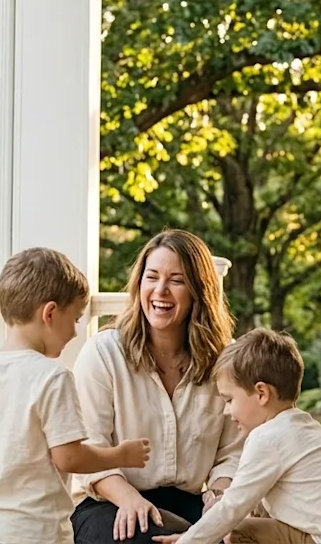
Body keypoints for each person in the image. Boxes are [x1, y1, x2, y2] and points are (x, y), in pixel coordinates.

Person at [0, 247, 152, 544]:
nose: (75, 332)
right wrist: (120, 455)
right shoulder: (53, 378)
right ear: (50, 313)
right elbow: (69, 457)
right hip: (35, 532)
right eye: (75, 319)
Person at [70, 229, 243, 543]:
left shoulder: (225, 360)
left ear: (198, 290)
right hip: (109, 501)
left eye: (176, 280)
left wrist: (218, 499)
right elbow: (89, 448)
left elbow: (233, 452)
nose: (160, 290)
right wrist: (129, 499)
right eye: (151, 277)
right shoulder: (104, 353)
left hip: (191, 505)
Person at [153, 328, 321, 544]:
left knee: (237, 531)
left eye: (229, 400)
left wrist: (187, 541)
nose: (226, 411)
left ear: (261, 393)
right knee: (241, 527)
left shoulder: (267, 438)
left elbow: (232, 507)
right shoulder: (303, 427)